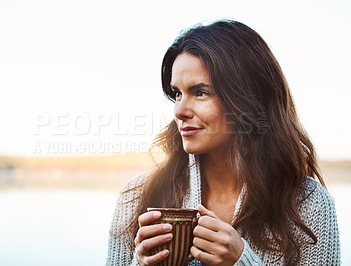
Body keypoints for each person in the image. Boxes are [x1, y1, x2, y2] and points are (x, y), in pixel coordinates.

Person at [106, 19, 340, 265]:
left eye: (201, 92)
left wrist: (242, 261)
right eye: (177, 94)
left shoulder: (309, 204)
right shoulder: (136, 197)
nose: (180, 110)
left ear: (246, 100)